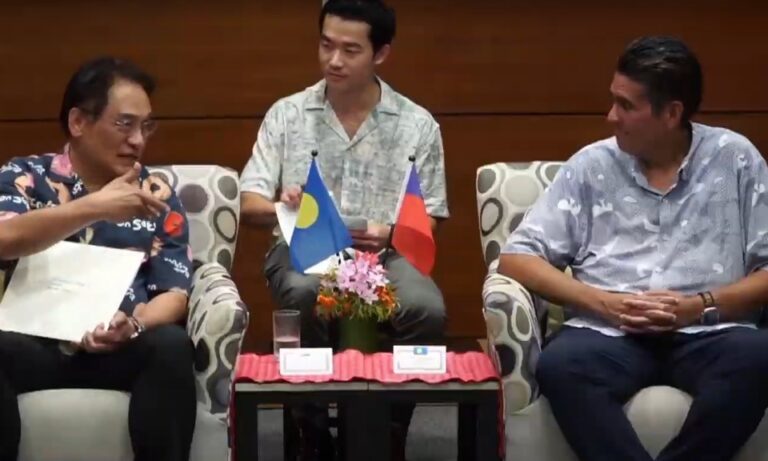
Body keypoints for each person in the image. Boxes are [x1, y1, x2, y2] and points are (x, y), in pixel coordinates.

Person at [500, 35, 768, 461]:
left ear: (672, 113)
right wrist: (604, 304)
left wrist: (697, 307)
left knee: (758, 358)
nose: (611, 116)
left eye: (625, 105)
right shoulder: (592, 165)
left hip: (710, 330)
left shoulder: (735, 159)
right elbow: (517, 258)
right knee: (562, 366)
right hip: (610, 332)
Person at [240, 0, 448, 459]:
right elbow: (248, 203)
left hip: (386, 255)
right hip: (306, 247)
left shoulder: (418, 124)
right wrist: (282, 205)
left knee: (426, 309)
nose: (334, 60)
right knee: (303, 293)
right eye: (326, 45)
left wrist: (391, 233)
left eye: (350, 50)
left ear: (381, 53)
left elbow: (430, 215)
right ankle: (312, 436)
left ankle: (387, 434)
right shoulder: (287, 114)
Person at [0, 57, 196, 461]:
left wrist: (135, 325)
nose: (137, 140)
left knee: (172, 346)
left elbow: (175, 292)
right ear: (78, 122)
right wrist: (95, 207)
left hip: (116, 348)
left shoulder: (155, 193)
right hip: (32, 346)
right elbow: (4, 238)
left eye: (146, 126)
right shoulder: (25, 176)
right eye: (124, 124)